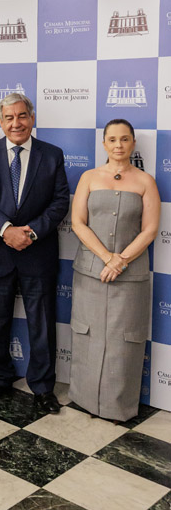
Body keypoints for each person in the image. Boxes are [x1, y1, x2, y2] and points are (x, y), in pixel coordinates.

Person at [0, 93, 69, 413]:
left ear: (32, 118)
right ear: (1, 122)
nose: (16, 123)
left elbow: (59, 202)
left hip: (37, 251)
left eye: (22, 116)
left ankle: (42, 386)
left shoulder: (52, 155)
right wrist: (6, 230)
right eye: (9, 118)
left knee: (41, 323)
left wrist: (31, 232)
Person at [69, 119, 160, 421]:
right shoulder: (89, 177)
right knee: (87, 334)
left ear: (133, 143)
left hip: (130, 275)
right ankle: (83, 399)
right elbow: (78, 223)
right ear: (104, 144)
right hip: (90, 272)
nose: (118, 145)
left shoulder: (146, 182)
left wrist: (121, 260)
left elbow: (149, 230)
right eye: (112, 139)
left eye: (124, 139)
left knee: (125, 341)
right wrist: (106, 256)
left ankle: (117, 408)